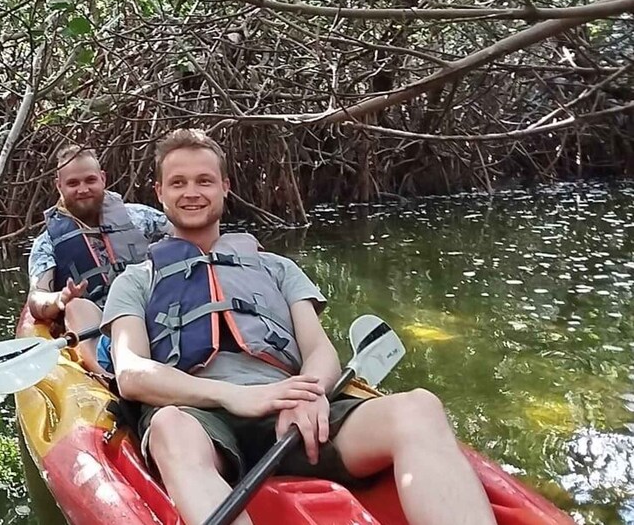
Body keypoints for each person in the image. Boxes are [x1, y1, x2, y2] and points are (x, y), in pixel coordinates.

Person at [100, 128, 497, 525]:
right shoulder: (138, 279)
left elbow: (319, 350)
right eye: (178, 183)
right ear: (159, 192)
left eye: (204, 180)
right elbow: (132, 373)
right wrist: (228, 396)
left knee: (419, 407)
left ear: (225, 186)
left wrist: (309, 393)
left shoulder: (277, 268)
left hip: (288, 410)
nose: (192, 192)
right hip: (196, 416)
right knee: (169, 426)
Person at [27, 144, 170, 374]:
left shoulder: (141, 217)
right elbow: (36, 299)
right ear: (59, 186)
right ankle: (107, 376)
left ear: (102, 179)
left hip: (149, 306)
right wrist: (60, 299)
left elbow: (185, 239)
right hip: (99, 320)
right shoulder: (47, 243)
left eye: (90, 180)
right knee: (77, 306)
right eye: (73, 183)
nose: (83, 189)